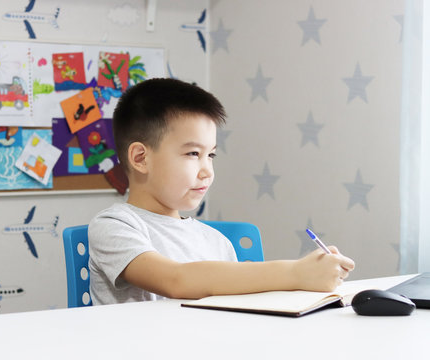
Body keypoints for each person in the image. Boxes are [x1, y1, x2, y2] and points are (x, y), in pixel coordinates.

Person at [88, 78, 355, 305]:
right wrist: (296, 272)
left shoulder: (216, 242)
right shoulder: (113, 227)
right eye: (193, 153)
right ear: (140, 158)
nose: (207, 171)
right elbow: (176, 280)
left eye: (211, 155)